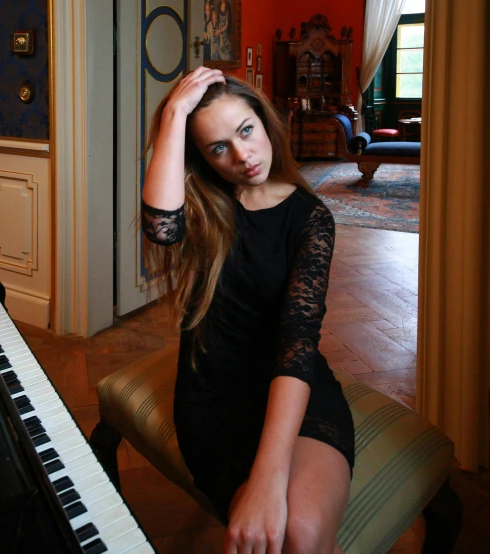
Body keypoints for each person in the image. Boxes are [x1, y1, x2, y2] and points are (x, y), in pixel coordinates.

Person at [140, 67, 355, 554]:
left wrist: (269, 476)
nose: (241, 155)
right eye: (218, 148)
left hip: (292, 385)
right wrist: (173, 113)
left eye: (245, 131)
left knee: (299, 530)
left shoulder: (311, 218)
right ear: (203, 159)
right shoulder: (205, 208)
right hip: (215, 398)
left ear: (264, 121)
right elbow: (161, 229)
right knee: (286, 536)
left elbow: (298, 343)